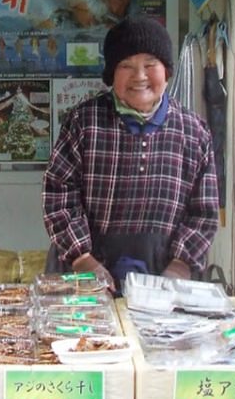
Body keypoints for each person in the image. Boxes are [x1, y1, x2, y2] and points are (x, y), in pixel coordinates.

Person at [42, 15, 219, 292]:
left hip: (164, 273)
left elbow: (204, 212)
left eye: (151, 64)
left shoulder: (194, 132)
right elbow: (58, 193)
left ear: (167, 71)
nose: (139, 76)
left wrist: (181, 263)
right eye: (126, 65)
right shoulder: (84, 122)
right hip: (84, 269)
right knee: (83, 337)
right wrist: (83, 258)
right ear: (111, 74)